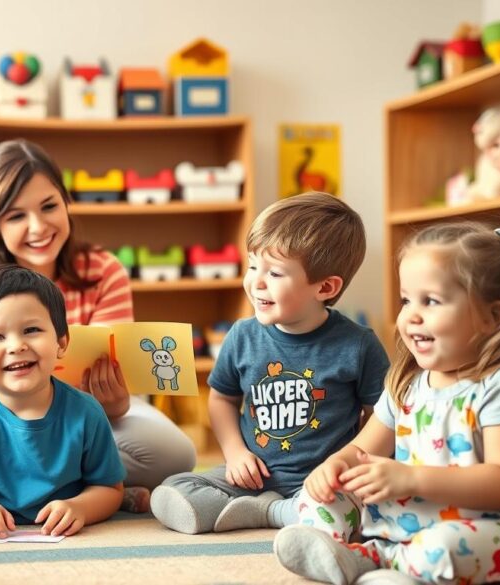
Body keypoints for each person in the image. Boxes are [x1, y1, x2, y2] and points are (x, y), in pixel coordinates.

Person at [274, 223, 500, 585]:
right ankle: (349, 553)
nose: (410, 316)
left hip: (492, 528)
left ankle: (372, 561)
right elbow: (361, 450)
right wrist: (335, 466)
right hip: (407, 517)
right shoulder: (407, 383)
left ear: (492, 318)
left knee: (443, 548)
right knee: (318, 495)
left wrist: (411, 477)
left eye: (430, 301)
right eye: (406, 300)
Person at [0, 139, 195, 503]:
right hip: (2, 422)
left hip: (88, 415)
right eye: (16, 216)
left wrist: (115, 403)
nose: (38, 226)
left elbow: (118, 372)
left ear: (66, 204)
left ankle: (91, 487)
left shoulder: (103, 270)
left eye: (49, 206)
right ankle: (89, 489)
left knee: (177, 453)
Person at [151, 192, 390, 535]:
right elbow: (222, 398)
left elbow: (380, 418)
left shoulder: (358, 345)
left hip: (322, 484)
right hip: (254, 476)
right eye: (252, 266)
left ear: (325, 287)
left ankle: (273, 513)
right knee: (172, 491)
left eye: (275, 273)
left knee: (342, 517)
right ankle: (275, 511)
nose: (256, 282)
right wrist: (235, 455)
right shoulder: (242, 336)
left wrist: (351, 467)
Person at [0, 264, 125, 540]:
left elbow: (110, 489)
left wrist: (80, 507)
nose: (16, 346)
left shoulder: (87, 411)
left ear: (61, 342)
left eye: (31, 330)